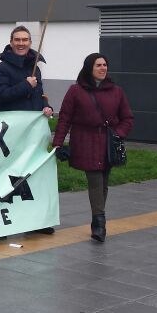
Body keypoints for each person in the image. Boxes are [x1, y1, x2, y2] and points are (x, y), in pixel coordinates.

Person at [52, 53, 134, 243]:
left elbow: (128, 118)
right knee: (96, 180)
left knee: (103, 182)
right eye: (99, 65)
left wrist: (118, 133)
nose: (103, 68)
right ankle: (99, 223)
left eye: (105, 64)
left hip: (108, 143)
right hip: (85, 142)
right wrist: (58, 143)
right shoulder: (75, 91)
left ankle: (98, 217)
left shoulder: (116, 91)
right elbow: (65, 118)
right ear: (90, 67)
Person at [0, 25, 56, 235]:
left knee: (34, 173)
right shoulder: (1, 69)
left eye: (25, 40)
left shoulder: (35, 67)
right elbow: (0, 96)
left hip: (34, 132)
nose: (21, 43)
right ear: (11, 43)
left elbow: (40, 95)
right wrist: (25, 86)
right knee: (10, 174)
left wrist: (45, 108)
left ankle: (36, 219)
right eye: (17, 40)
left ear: (30, 43)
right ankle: (4, 219)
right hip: (12, 133)